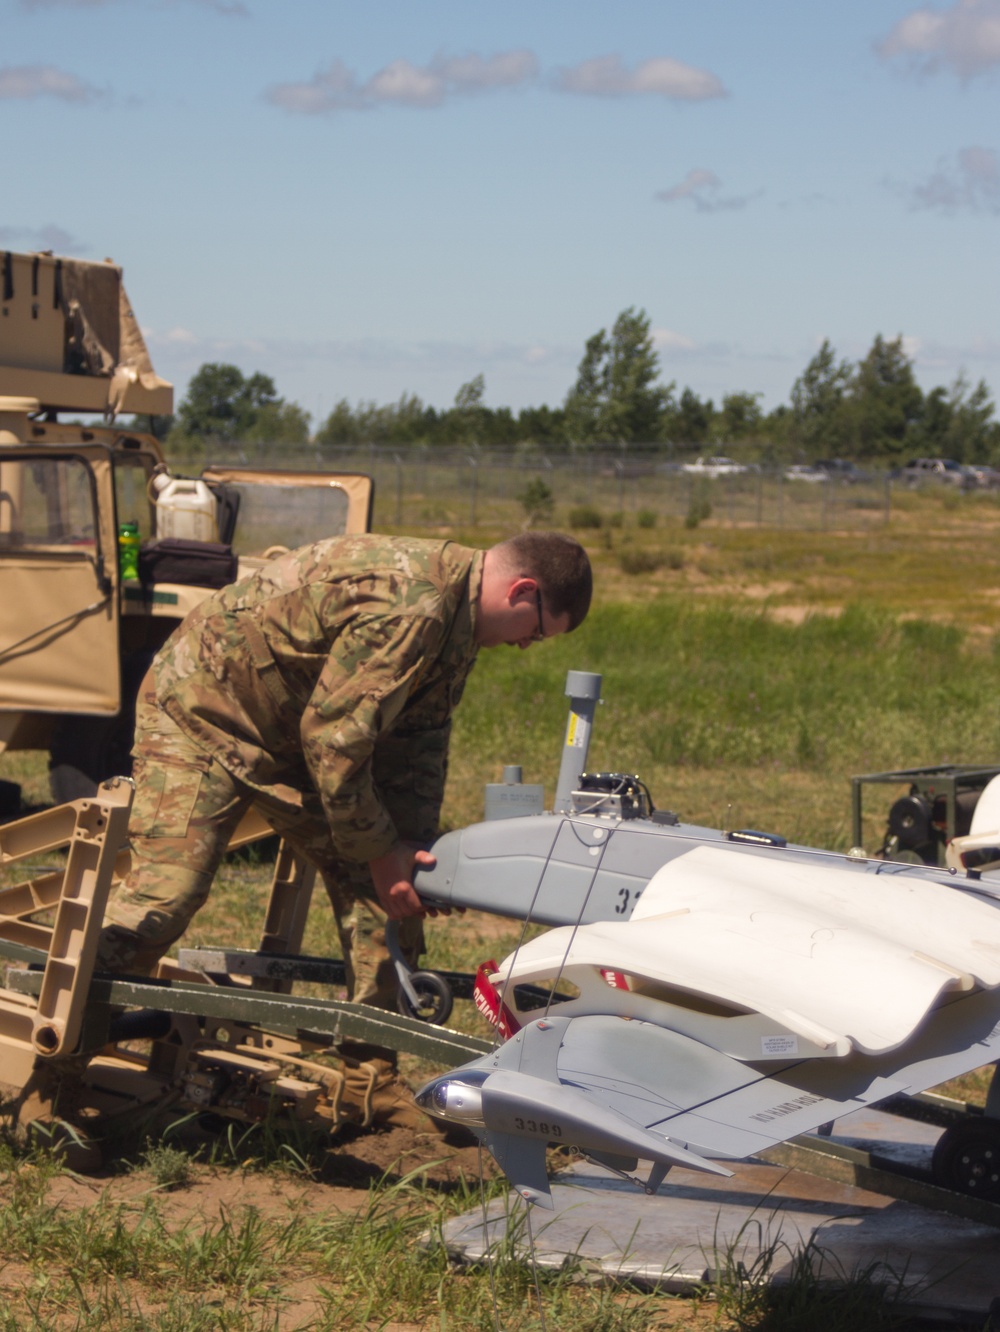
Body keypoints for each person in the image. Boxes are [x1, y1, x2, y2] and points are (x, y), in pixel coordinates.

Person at [88, 530, 592, 1126]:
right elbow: (334, 739)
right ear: (522, 591)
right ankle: (59, 1063)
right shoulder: (416, 602)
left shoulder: (457, 621)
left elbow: (418, 744)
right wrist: (381, 851)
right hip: (203, 711)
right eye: (534, 632)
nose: (525, 647)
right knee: (167, 894)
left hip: (289, 735)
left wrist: (412, 858)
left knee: (388, 901)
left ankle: (366, 1079)